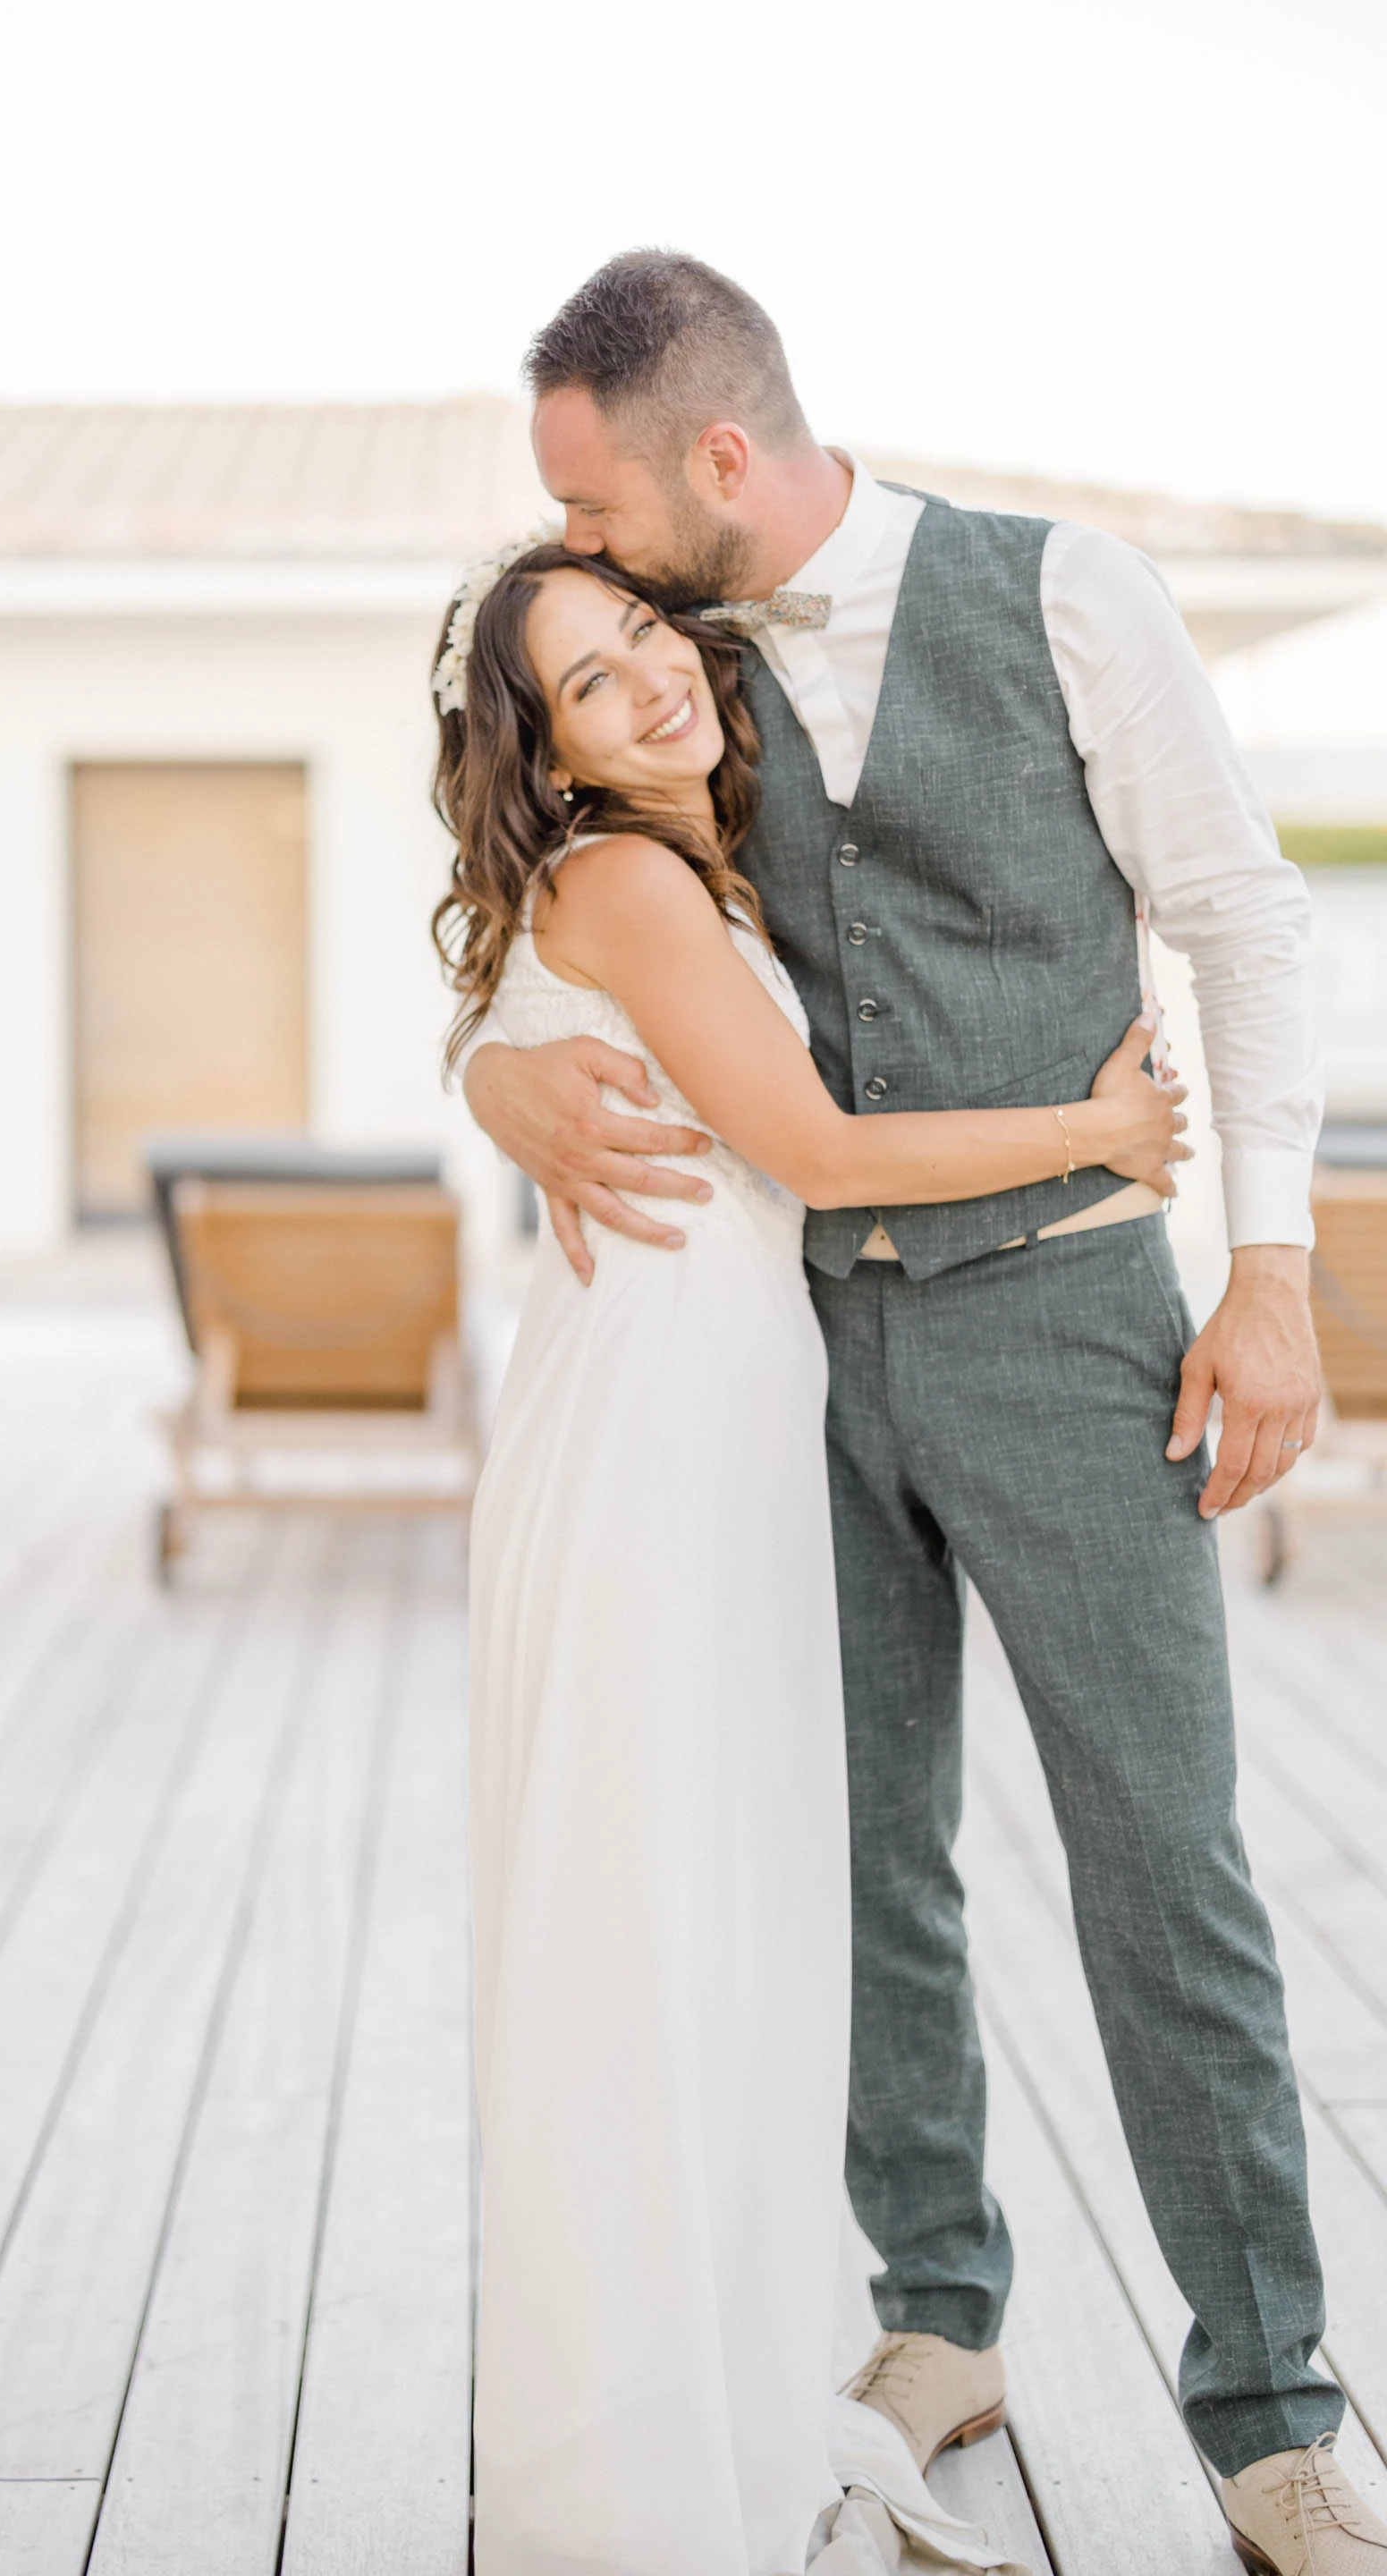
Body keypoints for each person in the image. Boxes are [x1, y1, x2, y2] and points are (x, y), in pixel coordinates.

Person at [461, 251, 1386, 2576]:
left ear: (722, 465)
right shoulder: (662, 688)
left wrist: (1269, 1268)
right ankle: (936, 2307)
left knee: (1164, 1871)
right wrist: (491, 1076)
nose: (577, 541)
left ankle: (1273, 2413)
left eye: (592, 494)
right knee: (867, 1866)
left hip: (1072, 1328)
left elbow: (1246, 920)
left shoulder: (1068, 595)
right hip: (798, 1357)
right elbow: (522, 911)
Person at [438, 532, 1185, 2575]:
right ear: (556, 751)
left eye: (636, 641)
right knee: (657, 1913)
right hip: (662, 1420)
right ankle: (642, 2447)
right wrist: (1098, 1132)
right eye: (583, 685)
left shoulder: (694, 862)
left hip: (731, 1404)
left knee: (739, 1903)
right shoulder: (633, 879)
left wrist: (489, 1067)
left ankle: (746, 2370)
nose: (640, 685)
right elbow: (824, 1154)